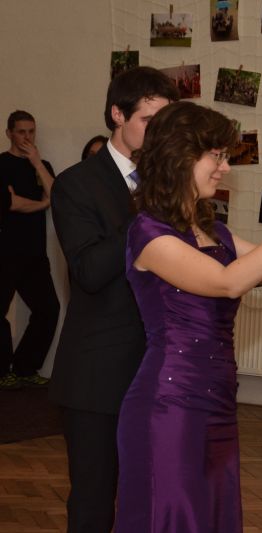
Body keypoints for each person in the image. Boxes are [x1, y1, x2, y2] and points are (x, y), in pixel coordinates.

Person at [113, 100, 262, 532]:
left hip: (218, 404)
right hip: (168, 406)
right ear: (180, 156)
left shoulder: (215, 232)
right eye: (217, 156)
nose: (225, 168)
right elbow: (228, 282)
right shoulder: (147, 233)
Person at [49, 66, 180, 533]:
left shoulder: (172, 181)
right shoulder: (75, 183)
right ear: (117, 115)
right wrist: (146, 214)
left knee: (154, 500)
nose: (159, 133)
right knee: (94, 502)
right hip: (98, 375)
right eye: (148, 120)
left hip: (162, 370)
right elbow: (88, 271)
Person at [0, 110, 60, 390]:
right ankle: (3, 372)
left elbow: (57, 196)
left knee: (49, 309)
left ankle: (25, 368)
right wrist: (42, 203)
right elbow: (11, 204)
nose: (27, 137)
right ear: (9, 133)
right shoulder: (1, 164)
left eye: (31, 131)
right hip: (4, 251)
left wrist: (36, 162)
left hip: (35, 253)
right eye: (21, 131)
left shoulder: (42, 164)